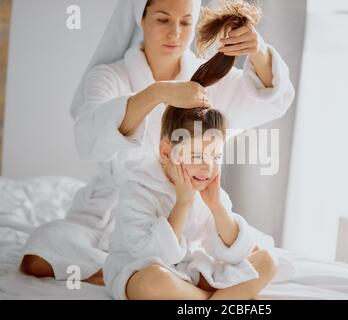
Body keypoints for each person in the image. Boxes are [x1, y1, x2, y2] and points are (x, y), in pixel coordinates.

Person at [20, 0, 295, 286]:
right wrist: (156, 94)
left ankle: (156, 277)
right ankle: (121, 272)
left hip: (186, 213)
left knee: (257, 256)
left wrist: (258, 51)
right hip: (113, 210)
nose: (175, 33)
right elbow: (88, 139)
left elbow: (270, 100)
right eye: (163, 20)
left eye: (186, 22)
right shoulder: (110, 77)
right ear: (141, 18)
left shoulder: (207, 78)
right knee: (39, 256)